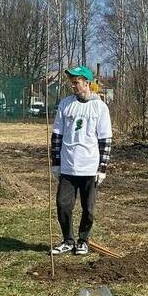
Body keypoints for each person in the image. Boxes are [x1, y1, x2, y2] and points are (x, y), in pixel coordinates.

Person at [49, 65, 112, 256]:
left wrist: (102, 168)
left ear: (87, 83)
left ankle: (83, 240)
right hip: (68, 166)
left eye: (76, 82)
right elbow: (57, 135)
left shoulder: (99, 107)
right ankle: (68, 240)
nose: (73, 86)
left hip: (89, 166)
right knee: (63, 205)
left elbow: (105, 140)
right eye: (71, 82)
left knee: (88, 208)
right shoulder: (65, 104)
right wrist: (56, 162)